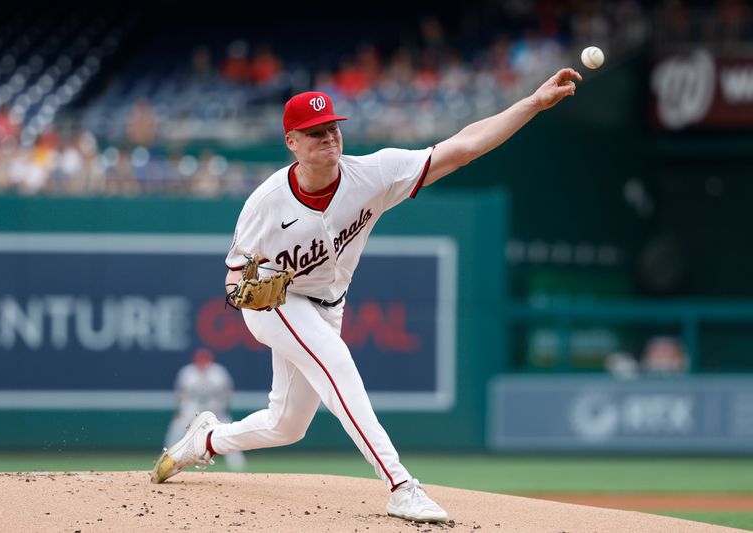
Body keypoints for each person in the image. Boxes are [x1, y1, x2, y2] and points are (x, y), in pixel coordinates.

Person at [152, 66, 582, 523]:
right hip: (275, 304)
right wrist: (247, 295)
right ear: (292, 144)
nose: (329, 137)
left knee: (287, 426)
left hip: (328, 306)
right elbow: (235, 281)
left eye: (333, 128)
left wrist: (532, 103)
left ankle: (205, 440)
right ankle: (400, 486)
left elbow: (463, 147)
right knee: (336, 363)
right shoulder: (265, 204)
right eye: (315, 132)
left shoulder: (372, 174)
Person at [164, 348, 246, 471]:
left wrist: (221, 408)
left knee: (230, 432)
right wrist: (181, 411)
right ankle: (165, 460)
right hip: (192, 410)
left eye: (205, 361)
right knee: (177, 428)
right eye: (200, 361)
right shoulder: (187, 373)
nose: (203, 364)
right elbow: (180, 394)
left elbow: (227, 393)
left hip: (215, 410)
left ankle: (238, 465)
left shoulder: (219, 372)